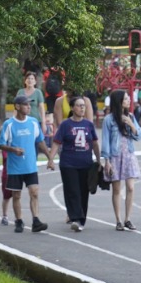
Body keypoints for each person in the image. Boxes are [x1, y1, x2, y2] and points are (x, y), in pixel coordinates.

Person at [0, 95, 50, 233]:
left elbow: (40, 141)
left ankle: (36, 221)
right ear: (17, 106)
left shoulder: (33, 122)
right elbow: (1, 144)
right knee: (16, 195)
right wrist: (13, 149)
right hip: (15, 168)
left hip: (30, 166)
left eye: (29, 104)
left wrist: (49, 157)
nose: (29, 107)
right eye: (26, 104)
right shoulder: (8, 124)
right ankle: (19, 220)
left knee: (34, 192)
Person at [49, 95, 99, 233]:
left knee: (83, 192)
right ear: (72, 108)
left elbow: (94, 143)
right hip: (68, 163)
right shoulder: (65, 125)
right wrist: (51, 159)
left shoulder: (89, 125)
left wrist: (100, 159)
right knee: (72, 191)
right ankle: (75, 218)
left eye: (83, 105)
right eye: (79, 105)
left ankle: (81, 219)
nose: (82, 108)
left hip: (86, 163)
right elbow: (57, 142)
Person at [101, 89, 141, 231]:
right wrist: (107, 160)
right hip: (115, 157)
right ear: (119, 102)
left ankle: (127, 219)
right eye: (125, 98)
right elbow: (105, 140)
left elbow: (138, 135)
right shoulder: (108, 120)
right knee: (116, 189)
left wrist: (130, 123)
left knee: (131, 187)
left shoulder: (130, 116)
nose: (129, 100)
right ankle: (118, 220)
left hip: (129, 155)